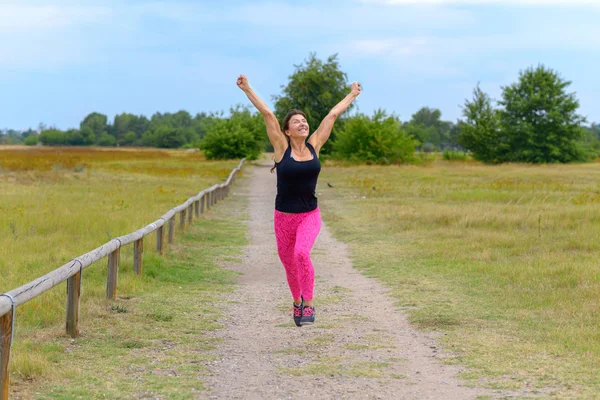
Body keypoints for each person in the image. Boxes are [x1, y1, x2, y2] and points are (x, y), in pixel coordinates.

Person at [237, 74, 361, 326]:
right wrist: (247, 88)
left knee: (302, 253)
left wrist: (352, 94)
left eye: (304, 121)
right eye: (297, 122)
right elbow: (268, 115)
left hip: (309, 215)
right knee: (290, 264)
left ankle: (310, 304)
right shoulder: (282, 149)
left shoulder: (315, 145)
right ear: (287, 130)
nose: (303, 124)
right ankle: (296, 302)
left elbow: (332, 116)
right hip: (283, 217)